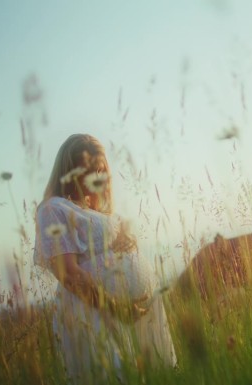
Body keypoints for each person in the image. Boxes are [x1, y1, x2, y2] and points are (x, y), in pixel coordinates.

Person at [33, 133, 176, 383]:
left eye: (100, 170)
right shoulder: (53, 208)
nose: (96, 177)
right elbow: (68, 273)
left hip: (132, 314)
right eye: (87, 170)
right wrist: (116, 307)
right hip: (95, 312)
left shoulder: (95, 213)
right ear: (68, 171)